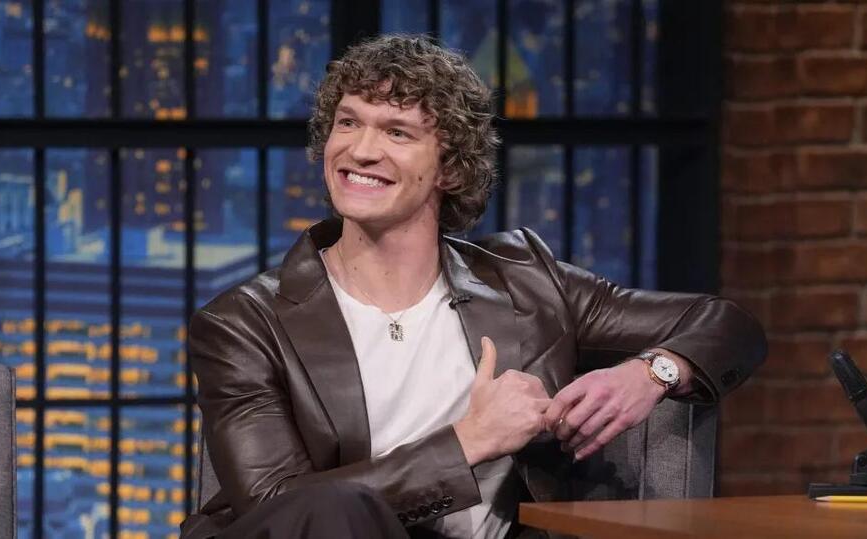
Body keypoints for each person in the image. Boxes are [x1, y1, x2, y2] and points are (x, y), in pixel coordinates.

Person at [181, 35, 766, 539]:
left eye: (397, 132)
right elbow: (282, 509)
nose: (360, 150)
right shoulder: (244, 323)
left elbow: (726, 324)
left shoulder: (527, 283)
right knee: (333, 507)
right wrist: (469, 441)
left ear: (451, 168)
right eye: (348, 122)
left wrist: (651, 373)